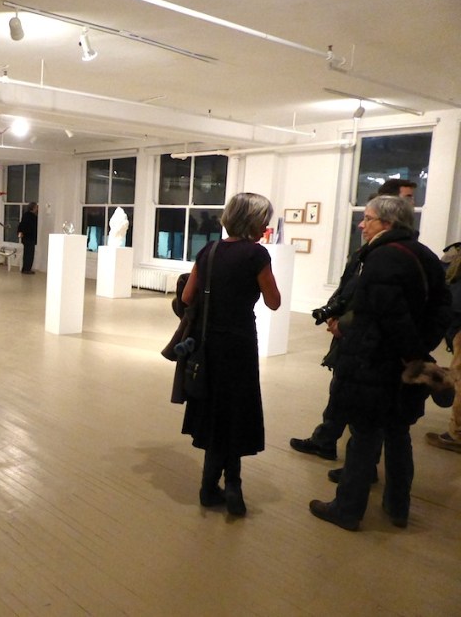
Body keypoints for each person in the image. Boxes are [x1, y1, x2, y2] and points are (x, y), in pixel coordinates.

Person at [309, 196, 451, 531]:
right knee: (398, 434)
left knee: (364, 435)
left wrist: (408, 352)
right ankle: (397, 507)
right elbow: (442, 309)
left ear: (387, 223)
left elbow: (387, 315)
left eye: (368, 218)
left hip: (375, 363)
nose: (362, 224)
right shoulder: (426, 255)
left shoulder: (383, 257)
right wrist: (421, 349)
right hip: (403, 364)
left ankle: (347, 509)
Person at [291, 180, 420, 475]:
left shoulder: (393, 254)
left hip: (372, 343)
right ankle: (327, 440)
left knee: (368, 409)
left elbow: (379, 303)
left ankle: (360, 470)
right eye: (408, 197)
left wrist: (347, 324)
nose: (412, 203)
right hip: (358, 335)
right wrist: (334, 314)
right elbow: (349, 287)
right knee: (342, 388)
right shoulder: (372, 251)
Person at [178, 192, 281, 516]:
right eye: (263, 220)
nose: (266, 226)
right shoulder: (256, 255)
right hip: (239, 344)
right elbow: (274, 301)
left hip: (208, 344)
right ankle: (232, 486)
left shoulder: (208, 250)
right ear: (252, 220)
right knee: (235, 412)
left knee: (214, 413)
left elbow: (186, 297)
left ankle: (209, 487)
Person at [17, 202, 38, 274]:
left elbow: (21, 225)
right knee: (30, 254)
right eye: (36, 207)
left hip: (25, 237)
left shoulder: (25, 215)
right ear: (33, 208)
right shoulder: (33, 217)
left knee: (26, 253)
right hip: (30, 237)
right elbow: (32, 228)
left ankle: (25, 268)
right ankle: (27, 269)